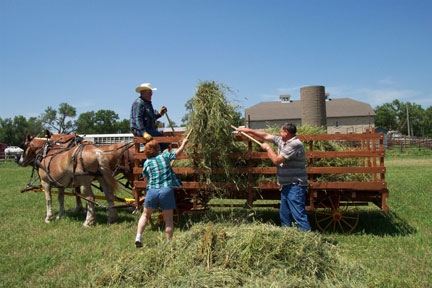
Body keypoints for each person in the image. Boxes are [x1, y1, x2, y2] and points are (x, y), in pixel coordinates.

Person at [236, 123, 311, 231]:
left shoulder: (294, 144)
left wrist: (268, 148)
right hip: (287, 185)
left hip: (295, 186)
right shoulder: (283, 140)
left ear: (287, 133)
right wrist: (248, 131)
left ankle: (308, 241)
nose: (279, 134)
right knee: (284, 215)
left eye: (281, 132)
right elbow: (266, 136)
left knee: (298, 215)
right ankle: (287, 237)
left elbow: (277, 160)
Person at [135, 137, 188, 247]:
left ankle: (138, 236)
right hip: (166, 190)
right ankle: (168, 243)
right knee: (168, 219)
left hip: (152, 190)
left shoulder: (147, 163)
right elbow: (177, 153)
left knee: (145, 215)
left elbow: (146, 180)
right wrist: (183, 144)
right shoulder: (165, 156)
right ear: (157, 149)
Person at [130, 82, 169, 150]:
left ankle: (154, 155)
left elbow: (151, 118)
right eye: (150, 92)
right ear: (143, 93)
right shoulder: (139, 103)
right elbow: (137, 119)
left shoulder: (147, 103)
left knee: (164, 142)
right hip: (140, 130)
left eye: (151, 92)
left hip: (148, 129)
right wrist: (143, 132)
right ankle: (155, 156)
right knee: (164, 141)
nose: (151, 94)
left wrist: (160, 114)